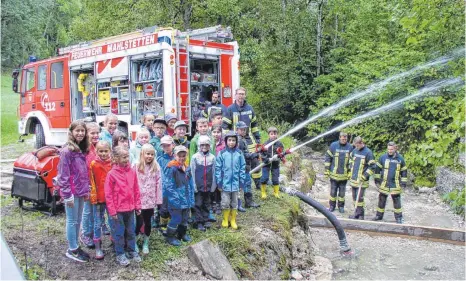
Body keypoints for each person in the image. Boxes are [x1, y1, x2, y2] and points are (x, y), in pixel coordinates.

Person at [56, 120, 91, 262]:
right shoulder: (66, 151)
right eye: (77, 130)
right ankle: (72, 249)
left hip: (80, 191)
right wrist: (66, 194)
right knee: (71, 221)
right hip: (71, 192)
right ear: (71, 132)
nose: (80, 133)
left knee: (78, 221)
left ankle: (75, 245)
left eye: (83, 131)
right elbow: (63, 175)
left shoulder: (81, 150)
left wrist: (87, 189)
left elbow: (83, 173)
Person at [104, 146, 142, 266]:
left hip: (130, 209)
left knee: (131, 231)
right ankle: (120, 253)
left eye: (127, 156)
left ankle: (131, 250)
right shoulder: (111, 174)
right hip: (118, 210)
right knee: (119, 232)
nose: (127, 159)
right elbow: (108, 194)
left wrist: (138, 205)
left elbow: (136, 189)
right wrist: (112, 211)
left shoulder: (132, 171)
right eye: (124, 157)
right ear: (116, 158)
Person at [222, 87, 262, 191]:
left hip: (249, 140)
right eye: (239, 94)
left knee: (255, 161)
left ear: (245, 95)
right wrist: (229, 140)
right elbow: (225, 127)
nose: (241, 96)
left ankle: (258, 184)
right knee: (239, 163)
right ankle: (240, 185)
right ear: (235, 95)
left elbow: (254, 125)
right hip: (237, 141)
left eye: (243, 94)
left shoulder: (250, 109)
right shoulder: (230, 109)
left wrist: (257, 139)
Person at [164, 146, 195, 246]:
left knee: (185, 218)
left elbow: (190, 184)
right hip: (176, 200)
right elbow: (168, 186)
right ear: (174, 155)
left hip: (186, 198)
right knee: (176, 218)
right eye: (179, 156)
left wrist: (191, 198)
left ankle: (182, 234)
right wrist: (175, 199)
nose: (182, 158)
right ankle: (170, 237)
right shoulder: (171, 168)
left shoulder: (187, 168)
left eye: (184, 155)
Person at [135, 144, 162, 253]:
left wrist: (158, 200)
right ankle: (135, 241)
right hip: (139, 201)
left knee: (148, 222)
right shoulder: (136, 166)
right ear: (142, 154)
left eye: (152, 154)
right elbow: (133, 183)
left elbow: (159, 184)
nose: (149, 156)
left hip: (150, 201)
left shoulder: (156, 167)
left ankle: (146, 242)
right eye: (147, 154)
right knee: (138, 222)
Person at [215, 131, 246, 230]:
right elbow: (218, 168)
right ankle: (225, 219)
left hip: (236, 184)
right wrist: (219, 182)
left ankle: (233, 220)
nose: (231, 142)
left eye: (233, 140)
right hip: (225, 184)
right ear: (226, 141)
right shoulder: (222, 153)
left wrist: (242, 181)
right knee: (225, 202)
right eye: (229, 140)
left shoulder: (239, 153)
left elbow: (242, 167)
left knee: (234, 203)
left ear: (236, 141)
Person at [88, 140, 112, 260]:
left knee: (113, 220)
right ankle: (98, 246)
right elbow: (91, 182)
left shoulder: (112, 163)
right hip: (98, 198)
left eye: (105, 151)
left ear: (110, 151)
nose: (103, 154)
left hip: (111, 199)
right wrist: (93, 196)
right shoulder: (93, 164)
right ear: (96, 151)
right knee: (97, 223)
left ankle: (115, 240)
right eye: (100, 151)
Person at [373, 142, 408, 224]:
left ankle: (399, 218)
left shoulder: (400, 159)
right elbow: (377, 169)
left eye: (391, 149)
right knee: (381, 200)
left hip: (395, 184)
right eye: (388, 149)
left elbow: (404, 171)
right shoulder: (382, 157)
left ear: (395, 149)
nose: (389, 151)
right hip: (384, 183)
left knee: (397, 202)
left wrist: (403, 183)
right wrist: (377, 180)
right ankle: (379, 216)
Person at [80, 122, 100, 249]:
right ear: (87, 134)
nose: (96, 135)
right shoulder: (84, 149)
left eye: (97, 133)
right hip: (87, 185)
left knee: (95, 211)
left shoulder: (98, 146)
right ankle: (85, 234)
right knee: (87, 211)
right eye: (92, 133)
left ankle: (93, 233)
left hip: (98, 184)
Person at [190, 135, 216, 231]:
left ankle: (205, 219)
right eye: (202, 145)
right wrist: (194, 185)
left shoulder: (212, 158)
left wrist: (213, 185)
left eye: (206, 145)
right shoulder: (195, 157)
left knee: (206, 203)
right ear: (198, 146)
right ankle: (198, 222)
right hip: (198, 186)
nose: (204, 147)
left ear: (210, 146)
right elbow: (192, 172)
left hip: (208, 186)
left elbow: (214, 172)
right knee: (198, 204)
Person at [324, 132, 353, 213]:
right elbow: (328, 157)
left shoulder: (350, 147)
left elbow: (352, 161)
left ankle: (341, 206)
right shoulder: (333, 145)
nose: (344, 140)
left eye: (345, 138)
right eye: (342, 138)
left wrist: (350, 171)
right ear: (339, 138)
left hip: (344, 176)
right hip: (333, 175)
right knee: (333, 192)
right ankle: (332, 206)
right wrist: (326, 169)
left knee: (342, 193)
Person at [348, 137, 376, 220]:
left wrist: (365, 176)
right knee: (354, 198)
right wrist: (350, 172)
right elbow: (350, 161)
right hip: (354, 179)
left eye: (357, 145)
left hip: (362, 181)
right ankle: (357, 214)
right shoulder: (354, 151)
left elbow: (372, 167)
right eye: (355, 146)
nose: (356, 147)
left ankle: (360, 215)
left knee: (359, 198)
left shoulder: (368, 153)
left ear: (361, 143)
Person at [236, 121, 260, 210]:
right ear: (237, 129)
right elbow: (241, 154)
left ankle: (245, 203)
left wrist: (253, 153)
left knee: (246, 184)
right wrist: (251, 155)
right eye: (241, 129)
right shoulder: (238, 140)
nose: (243, 131)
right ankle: (245, 203)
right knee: (245, 184)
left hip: (245, 166)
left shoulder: (242, 139)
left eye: (244, 129)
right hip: (242, 167)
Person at [260, 127, 285, 199]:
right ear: (269, 135)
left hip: (275, 164)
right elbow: (261, 153)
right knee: (264, 178)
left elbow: (282, 153)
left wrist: (279, 156)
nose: (273, 135)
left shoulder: (279, 143)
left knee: (275, 179)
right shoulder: (265, 144)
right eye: (271, 134)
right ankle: (263, 192)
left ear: (277, 134)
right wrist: (265, 159)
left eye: (275, 134)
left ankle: (276, 193)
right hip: (266, 164)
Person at [156, 135, 175, 229]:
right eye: (164, 146)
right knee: (164, 207)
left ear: (173, 145)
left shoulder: (177, 158)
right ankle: (163, 225)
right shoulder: (159, 159)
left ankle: (172, 224)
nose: (166, 148)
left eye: (168, 145)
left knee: (174, 207)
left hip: (175, 188)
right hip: (163, 188)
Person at [211, 124, 224, 214]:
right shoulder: (208, 142)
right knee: (211, 187)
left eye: (218, 132)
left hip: (220, 168)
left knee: (219, 187)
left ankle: (219, 203)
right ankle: (212, 204)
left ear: (221, 133)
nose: (216, 134)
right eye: (214, 132)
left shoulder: (223, 144)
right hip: (210, 168)